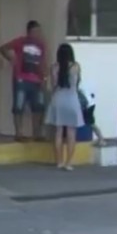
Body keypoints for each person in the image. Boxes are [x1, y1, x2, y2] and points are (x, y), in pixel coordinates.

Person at [0, 20, 47, 142]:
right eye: (35, 31)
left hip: (36, 79)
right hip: (21, 78)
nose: (38, 33)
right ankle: (18, 133)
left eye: (39, 31)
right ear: (29, 32)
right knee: (18, 106)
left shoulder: (41, 45)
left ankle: (36, 133)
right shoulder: (21, 41)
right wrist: (11, 58)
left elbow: (42, 62)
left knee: (38, 107)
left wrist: (44, 78)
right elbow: (3, 48)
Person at [44, 43, 84, 171]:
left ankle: (59, 161)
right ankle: (68, 163)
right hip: (72, 100)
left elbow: (53, 85)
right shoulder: (76, 66)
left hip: (58, 99)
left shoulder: (54, 67)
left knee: (58, 132)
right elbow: (77, 84)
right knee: (71, 133)